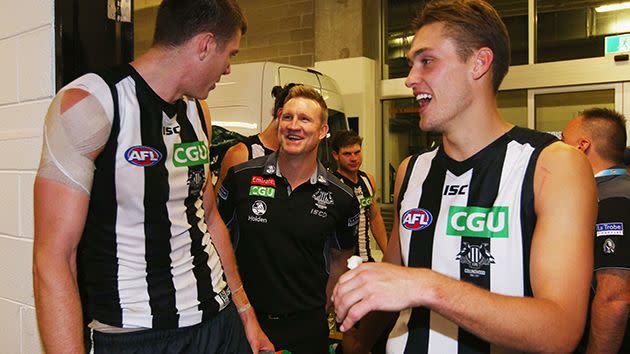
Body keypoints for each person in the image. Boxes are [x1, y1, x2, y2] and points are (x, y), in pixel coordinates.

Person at [332, 1, 598, 353]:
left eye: (427, 61)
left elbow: (561, 329)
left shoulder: (550, 166)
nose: (410, 78)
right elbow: (393, 279)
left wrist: (427, 286)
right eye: (411, 64)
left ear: (479, 63)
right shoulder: (412, 171)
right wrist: (357, 337)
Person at [32, 0, 273, 353]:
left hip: (218, 322)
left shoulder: (197, 111)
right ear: (205, 45)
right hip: (137, 335)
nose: (228, 69)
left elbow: (208, 216)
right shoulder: (91, 104)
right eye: (230, 54)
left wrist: (247, 316)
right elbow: (53, 258)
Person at [217, 85, 360, 354]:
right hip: (243, 321)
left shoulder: (342, 197)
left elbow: (341, 259)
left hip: (306, 330)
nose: (294, 126)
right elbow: (215, 237)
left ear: (323, 131)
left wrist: (320, 306)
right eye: (288, 117)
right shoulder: (241, 177)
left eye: (305, 119)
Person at [562, 108, 630, 354]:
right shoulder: (610, 190)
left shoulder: (613, 199)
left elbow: (615, 299)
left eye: (563, 143)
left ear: (582, 146)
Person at [214, 83, 299, 194]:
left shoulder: (297, 158)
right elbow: (218, 206)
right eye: (301, 118)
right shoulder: (241, 154)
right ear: (282, 114)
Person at [331, 130, 388, 262]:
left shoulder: (368, 180)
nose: (354, 158)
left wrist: (388, 252)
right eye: (347, 154)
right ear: (335, 155)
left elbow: (374, 218)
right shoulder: (333, 185)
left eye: (357, 152)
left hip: (366, 259)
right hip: (341, 263)